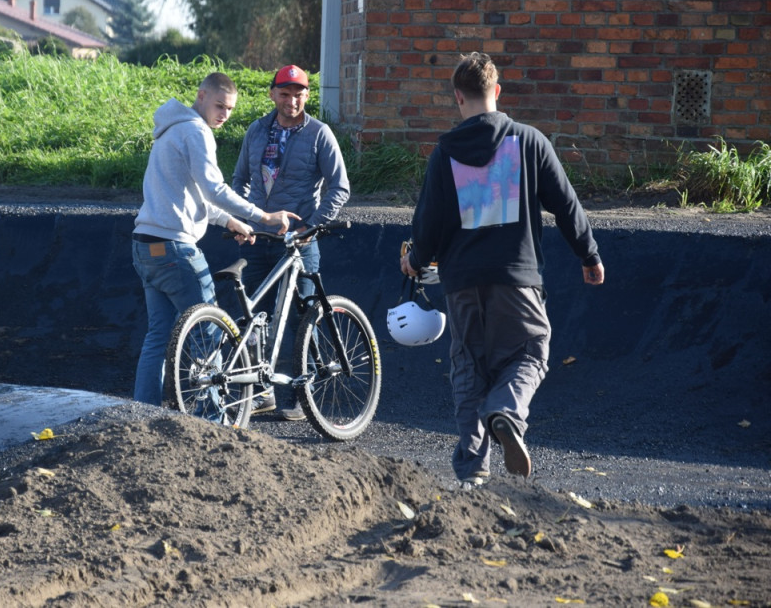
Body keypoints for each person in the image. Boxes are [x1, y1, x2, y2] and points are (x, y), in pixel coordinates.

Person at [401, 52, 605, 485]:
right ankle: (508, 412)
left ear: (458, 97)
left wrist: (415, 262)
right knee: (531, 350)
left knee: (468, 367)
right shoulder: (529, 141)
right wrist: (589, 255)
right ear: (496, 91)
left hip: (460, 283)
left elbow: (429, 225)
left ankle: (473, 470)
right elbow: (567, 205)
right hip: (518, 278)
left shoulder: (444, 153)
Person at [132, 72, 299, 406]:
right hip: (175, 249)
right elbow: (214, 188)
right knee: (210, 333)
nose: (224, 114)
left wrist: (232, 220)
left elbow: (194, 197)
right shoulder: (196, 131)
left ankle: (144, 414)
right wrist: (263, 216)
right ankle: (212, 420)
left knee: (157, 338)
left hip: (145, 246)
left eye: (231, 109)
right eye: (220, 105)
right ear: (201, 95)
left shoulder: (170, 131)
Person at [232, 65, 351, 420]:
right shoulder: (256, 130)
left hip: (300, 244)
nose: (292, 100)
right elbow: (239, 180)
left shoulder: (319, 133)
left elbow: (339, 187)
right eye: (284, 93)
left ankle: (305, 394)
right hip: (258, 238)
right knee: (253, 318)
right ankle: (261, 393)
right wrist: (241, 220)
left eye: (298, 94)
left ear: (307, 96)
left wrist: (312, 226)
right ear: (272, 94)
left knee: (305, 319)